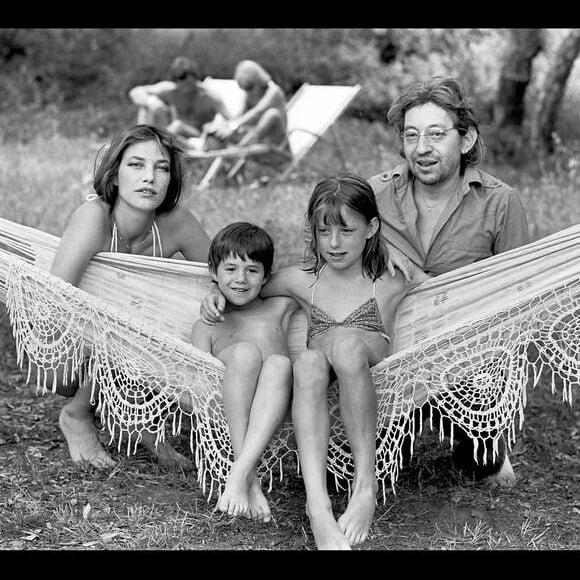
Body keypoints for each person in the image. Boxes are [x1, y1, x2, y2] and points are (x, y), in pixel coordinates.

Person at [200, 174, 410, 550]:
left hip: (365, 364)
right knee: (308, 361)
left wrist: (394, 250)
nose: (333, 243)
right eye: (323, 230)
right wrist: (215, 292)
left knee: (345, 347)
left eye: (347, 230)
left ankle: (365, 485)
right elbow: (247, 282)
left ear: (371, 228)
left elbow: (447, 292)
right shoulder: (303, 279)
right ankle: (319, 506)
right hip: (321, 372)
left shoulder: (391, 278)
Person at [368, 76, 531, 487]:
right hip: (391, 353)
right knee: (373, 468)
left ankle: (479, 435)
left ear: (465, 138)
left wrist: (424, 281)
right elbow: (323, 257)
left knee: (486, 472)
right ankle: (390, 428)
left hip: (469, 357)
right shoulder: (373, 194)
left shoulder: (499, 201)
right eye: (411, 135)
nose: (422, 148)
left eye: (436, 134)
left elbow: (520, 296)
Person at [40, 124, 211, 470]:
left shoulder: (176, 222)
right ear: (115, 175)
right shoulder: (94, 217)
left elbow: (220, 276)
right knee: (135, 309)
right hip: (61, 350)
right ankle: (77, 415)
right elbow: (54, 297)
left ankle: (136, 421)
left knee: (181, 312)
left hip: (125, 349)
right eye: (136, 165)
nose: (150, 177)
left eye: (161, 168)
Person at [190, 222, 299, 522]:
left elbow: (316, 277)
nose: (241, 279)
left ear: (266, 277)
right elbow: (199, 382)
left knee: (279, 364)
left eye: (252, 270)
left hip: (276, 404)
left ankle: (238, 475)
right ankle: (247, 476)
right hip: (229, 406)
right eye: (231, 269)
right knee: (246, 353)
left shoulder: (281, 307)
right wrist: (214, 292)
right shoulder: (208, 324)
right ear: (213, 272)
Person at [128, 56, 230, 149]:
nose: (188, 88)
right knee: (146, 107)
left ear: (195, 78)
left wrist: (223, 127)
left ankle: (154, 143)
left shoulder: (209, 97)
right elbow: (136, 92)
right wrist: (152, 102)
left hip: (200, 139)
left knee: (177, 126)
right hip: (175, 136)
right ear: (176, 81)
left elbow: (232, 120)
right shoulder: (170, 91)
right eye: (183, 83)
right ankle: (144, 140)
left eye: (191, 83)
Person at [207, 60, 289, 160]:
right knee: (222, 124)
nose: (248, 92)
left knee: (272, 114)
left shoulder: (273, 92)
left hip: (277, 144)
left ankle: (239, 149)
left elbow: (257, 112)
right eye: (244, 89)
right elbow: (240, 116)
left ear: (258, 80)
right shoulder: (249, 95)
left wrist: (233, 127)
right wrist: (223, 126)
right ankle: (220, 150)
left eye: (249, 87)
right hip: (257, 141)